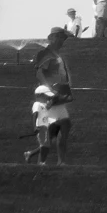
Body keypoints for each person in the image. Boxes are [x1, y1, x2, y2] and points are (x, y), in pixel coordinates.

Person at [25, 30, 73, 166]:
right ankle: (44, 163)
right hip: (50, 97)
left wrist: (66, 93)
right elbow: (39, 73)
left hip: (59, 97)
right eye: (59, 37)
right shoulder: (46, 53)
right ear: (51, 38)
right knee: (52, 133)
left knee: (64, 127)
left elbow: (62, 76)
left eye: (63, 38)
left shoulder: (57, 55)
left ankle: (60, 162)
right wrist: (51, 89)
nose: (61, 40)